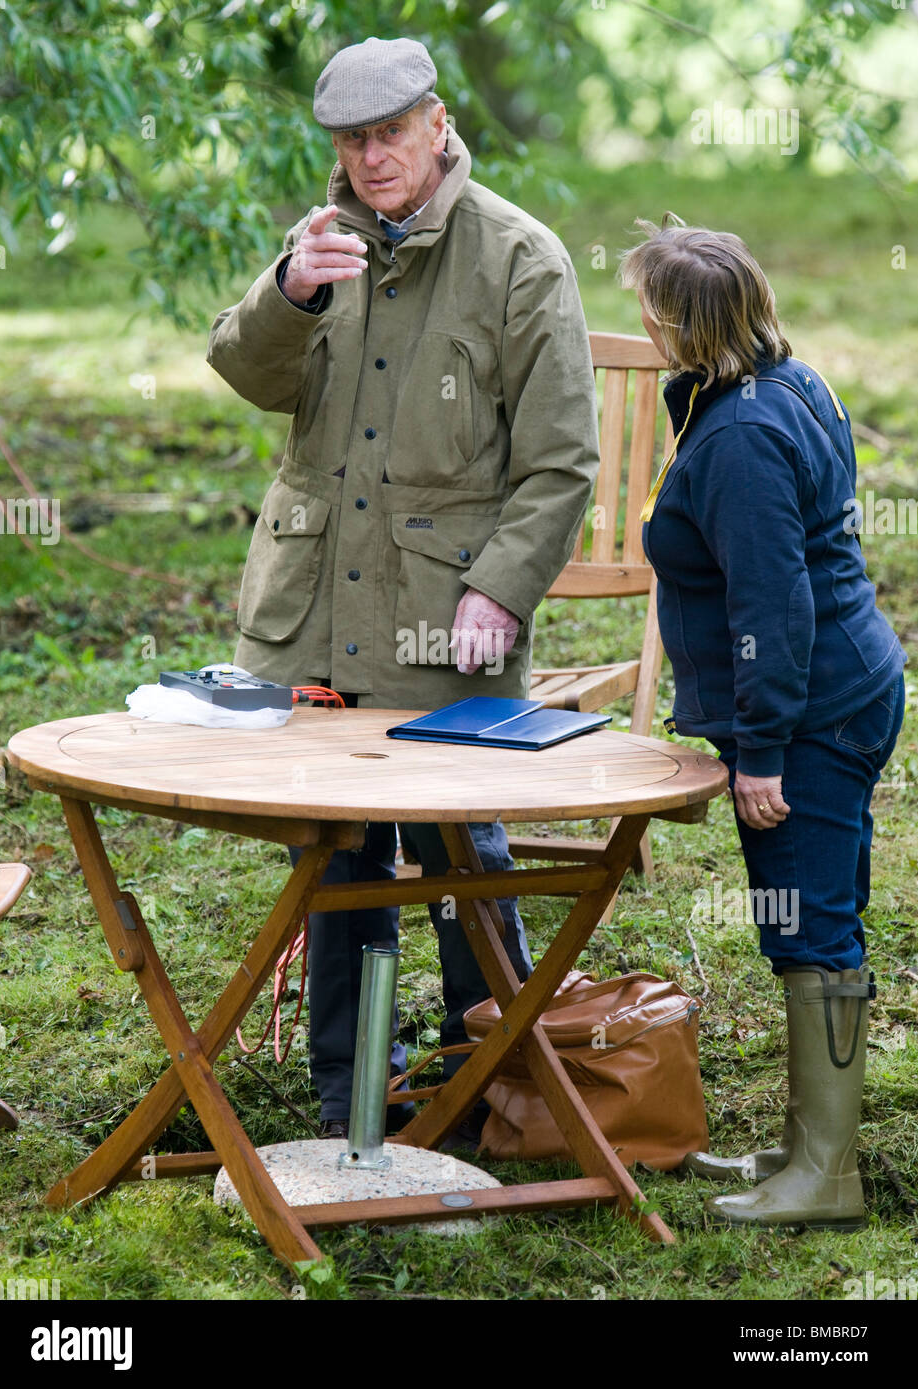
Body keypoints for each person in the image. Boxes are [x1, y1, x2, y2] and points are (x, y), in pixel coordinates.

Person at [207, 38, 600, 1143]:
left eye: (388, 134)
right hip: (313, 612)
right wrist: (287, 293)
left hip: (447, 621)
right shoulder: (317, 245)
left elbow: (562, 461)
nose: (369, 158)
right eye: (349, 140)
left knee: (459, 846)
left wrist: (503, 590)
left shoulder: (521, 257)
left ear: (437, 124)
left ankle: (493, 1078)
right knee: (334, 847)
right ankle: (349, 1096)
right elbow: (245, 370)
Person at [619, 215, 906, 1228]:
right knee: (816, 912)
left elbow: (771, 604)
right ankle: (801, 1146)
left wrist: (764, 748)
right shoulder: (780, 382)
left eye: (649, 307)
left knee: (807, 922)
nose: (640, 320)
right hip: (849, 680)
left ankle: (824, 1176)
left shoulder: (737, 436)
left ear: (678, 323)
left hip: (810, 708)